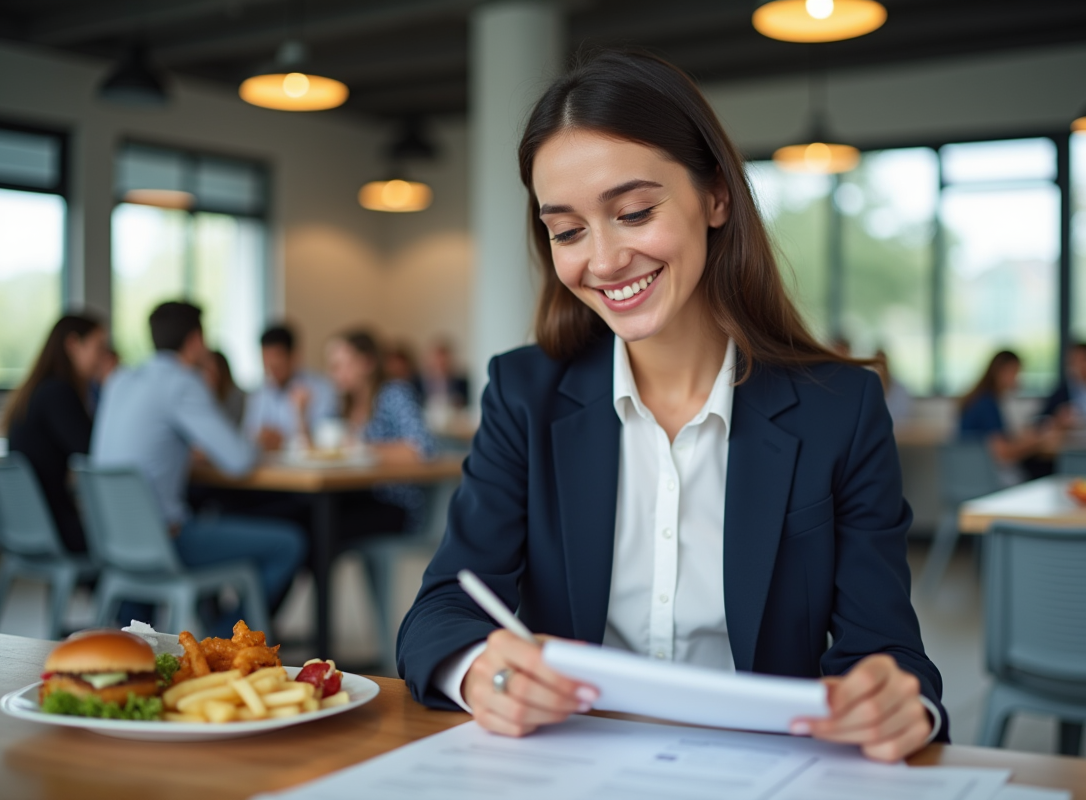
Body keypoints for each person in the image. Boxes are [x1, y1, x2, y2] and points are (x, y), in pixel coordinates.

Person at [397, 50, 946, 762]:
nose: (603, 261)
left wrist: (898, 702)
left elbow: (890, 652)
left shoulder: (839, 410)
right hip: (570, 763)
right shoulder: (524, 395)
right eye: (567, 231)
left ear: (716, 196)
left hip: (761, 768)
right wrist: (481, 672)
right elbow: (441, 610)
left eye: (633, 213)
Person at [91, 302, 307, 625]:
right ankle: (223, 639)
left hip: (114, 540)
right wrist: (260, 442)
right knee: (288, 543)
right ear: (195, 340)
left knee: (208, 514)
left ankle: (163, 635)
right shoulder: (182, 382)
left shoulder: (119, 380)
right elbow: (238, 460)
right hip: (167, 540)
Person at [4, 313, 110, 553]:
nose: (104, 357)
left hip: (30, 522)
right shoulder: (58, 393)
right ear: (73, 344)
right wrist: (111, 387)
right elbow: (96, 451)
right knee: (141, 530)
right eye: (99, 347)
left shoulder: (39, 390)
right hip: (55, 526)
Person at [326, 329, 436, 533]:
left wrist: (362, 449)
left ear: (367, 363)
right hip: (355, 494)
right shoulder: (344, 405)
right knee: (311, 516)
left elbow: (422, 448)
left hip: (394, 502)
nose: (335, 373)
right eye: (332, 366)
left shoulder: (393, 394)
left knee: (325, 525)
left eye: (341, 365)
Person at [242, 323, 337, 451]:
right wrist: (261, 437)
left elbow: (327, 439)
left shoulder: (322, 389)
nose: (271, 365)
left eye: (277, 357)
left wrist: (286, 438)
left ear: (293, 356)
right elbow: (248, 434)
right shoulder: (260, 393)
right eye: (266, 358)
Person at [959, 350, 1044, 485]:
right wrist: (1037, 442)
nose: (1018, 379)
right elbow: (1002, 453)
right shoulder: (987, 404)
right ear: (1000, 372)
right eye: (1015, 372)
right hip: (990, 479)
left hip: (968, 477)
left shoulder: (980, 400)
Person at [420, 338, 471, 410]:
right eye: (437, 359)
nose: (440, 363)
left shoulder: (461, 383)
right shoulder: (420, 382)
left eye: (443, 360)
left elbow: (468, 405)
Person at [202, 350, 246, 428]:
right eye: (206, 371)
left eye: (212, 371)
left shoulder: (235, 396)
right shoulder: (206, 395)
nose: (207, 376)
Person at [873, 348, 913, 422]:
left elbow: (905, 419)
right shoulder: (868, 390)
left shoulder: (900, 390)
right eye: (876, 366)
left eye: (882, 365)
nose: (880, 369)